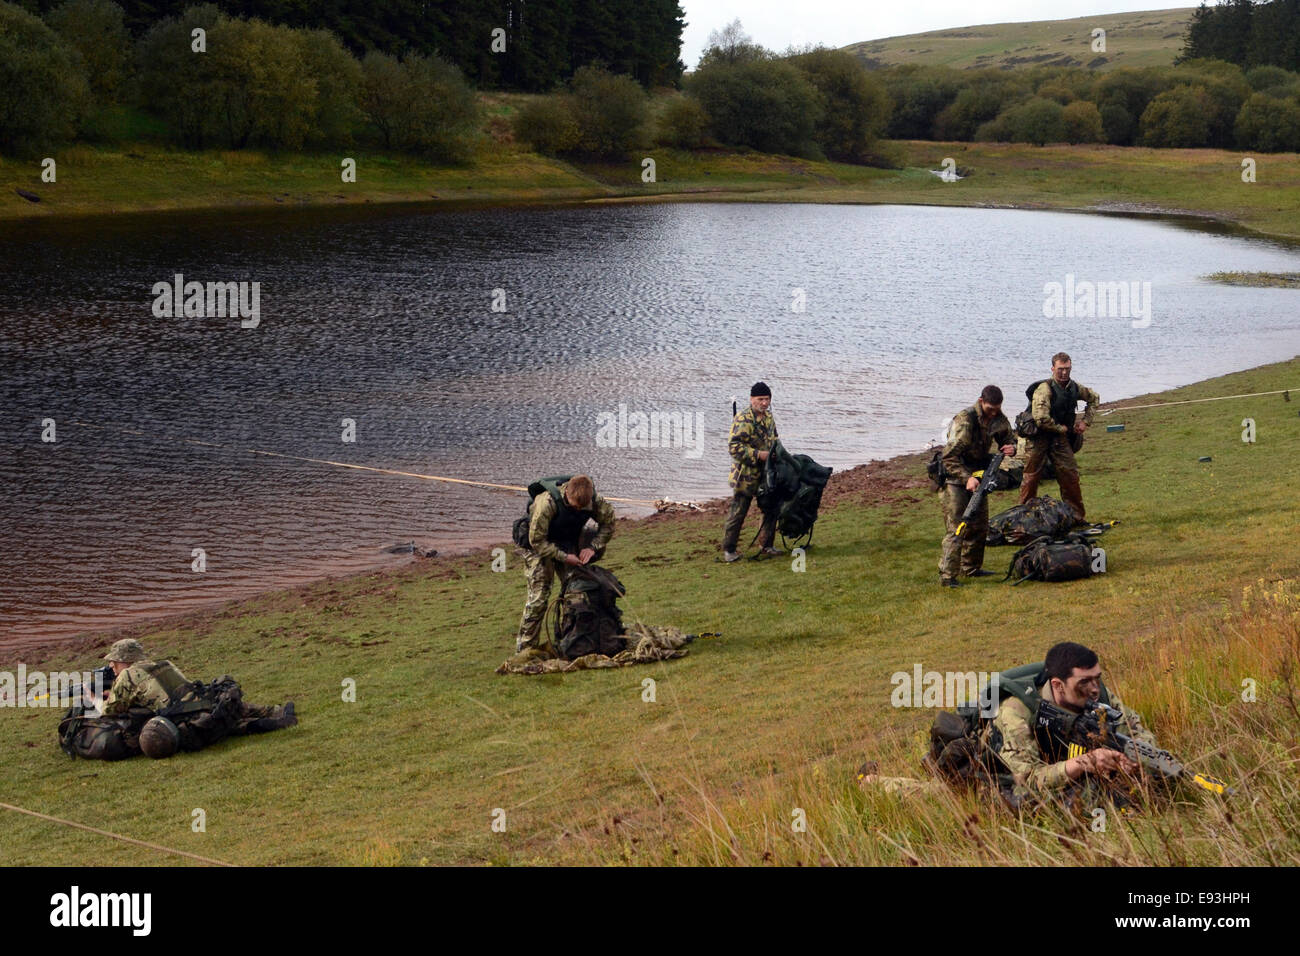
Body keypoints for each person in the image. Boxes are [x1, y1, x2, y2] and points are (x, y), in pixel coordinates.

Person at [860, 642, 1158, 808]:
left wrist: (1140, 759)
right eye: (1085, 682)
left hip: (1054, 759)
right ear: (1058, 684)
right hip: (996, 768)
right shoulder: (1014, 713)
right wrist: (1082, 764)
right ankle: (873, 784)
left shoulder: (1098, 694)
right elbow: (1025, 780)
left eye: (1098, 678)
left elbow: (1134, 728)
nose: (1095, 689)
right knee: (954, 799)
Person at [58, 638, 296, 760]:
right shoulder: (163, 663)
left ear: (125, 660)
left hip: (187, 720)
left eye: (114, 661)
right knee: (232, 716)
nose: (111, 665)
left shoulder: (128, 675)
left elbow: (108, 711)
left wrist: (91, 696)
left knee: (229, 727)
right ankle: (276, 713)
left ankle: (270, 722)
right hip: (205, 703)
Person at [515, 474, 616, 656]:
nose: (578, 510)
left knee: (576, 591)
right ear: (567, 494)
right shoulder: (545, 503)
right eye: (574, 506)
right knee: (539, 598)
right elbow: (536, 540)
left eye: (582, 508)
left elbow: (608, 524)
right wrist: (563, 557)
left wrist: (592, 548)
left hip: (567, 542)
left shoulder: (595, 501)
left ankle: (570, 640)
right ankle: (525, 649)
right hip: (538, 546)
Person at [938, 385, 1017, 588]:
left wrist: (1012, 447)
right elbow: (948, 457)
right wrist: (966, 479)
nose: (994, 412)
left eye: (997, 409)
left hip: (979, 475)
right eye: (990, 408)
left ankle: (971, 568)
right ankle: (948, 575)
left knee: (980, 525)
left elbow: (1009, 436)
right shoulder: (965, 421)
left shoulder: (998, 417)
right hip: (954, 478)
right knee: (957, 527)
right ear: (981, 401)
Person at [1018, 353, 1100, 521]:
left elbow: (1094, 398)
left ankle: (1076, 517)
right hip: (1038, 438)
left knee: (1070, 475)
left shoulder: (1075, 388)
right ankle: (1024, 519)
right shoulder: (1044, 389)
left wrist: (1085, 422)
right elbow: (1040, 419)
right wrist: (1059, 428)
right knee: (1031, 477)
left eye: (1067, 369)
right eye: (1060, 369)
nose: (1064, 373)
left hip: (1059, 438)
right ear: (1053, 369)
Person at [722, 382, 781, 562]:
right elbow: (734, 448)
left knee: (771, 508)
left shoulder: (769, 418)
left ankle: (767, 545)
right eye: (760, 399)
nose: (764, 403)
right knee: (739, 511)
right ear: (751, 399)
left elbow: (775, 440)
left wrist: (779, 456)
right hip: (745, 475)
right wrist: (759, 455)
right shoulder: (743, 419)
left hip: (766, 474)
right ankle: (729, 550)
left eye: (767, 399)